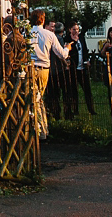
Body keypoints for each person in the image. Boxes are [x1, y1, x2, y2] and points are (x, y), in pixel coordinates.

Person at [29, 9, 68, 140]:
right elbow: (61, 53)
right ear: (43, 20)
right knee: (38, 98)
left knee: (32, 98)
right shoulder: (49, 35)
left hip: (30, 69)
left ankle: (35, 127)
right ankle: (41, 129)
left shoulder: (27, 33)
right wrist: (67, 48)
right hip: (44, 68)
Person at [62, 23, 96, 118]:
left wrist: (87, 60)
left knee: (87, 89)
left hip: (82, 67)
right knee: (74, 90)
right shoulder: (67, 40)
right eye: (74, 29)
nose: (76, 31)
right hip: (73, 68)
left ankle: (91, 109)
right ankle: (75, 109)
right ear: (69, 30)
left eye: (77, 29)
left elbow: (84, 50)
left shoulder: (81, 38)